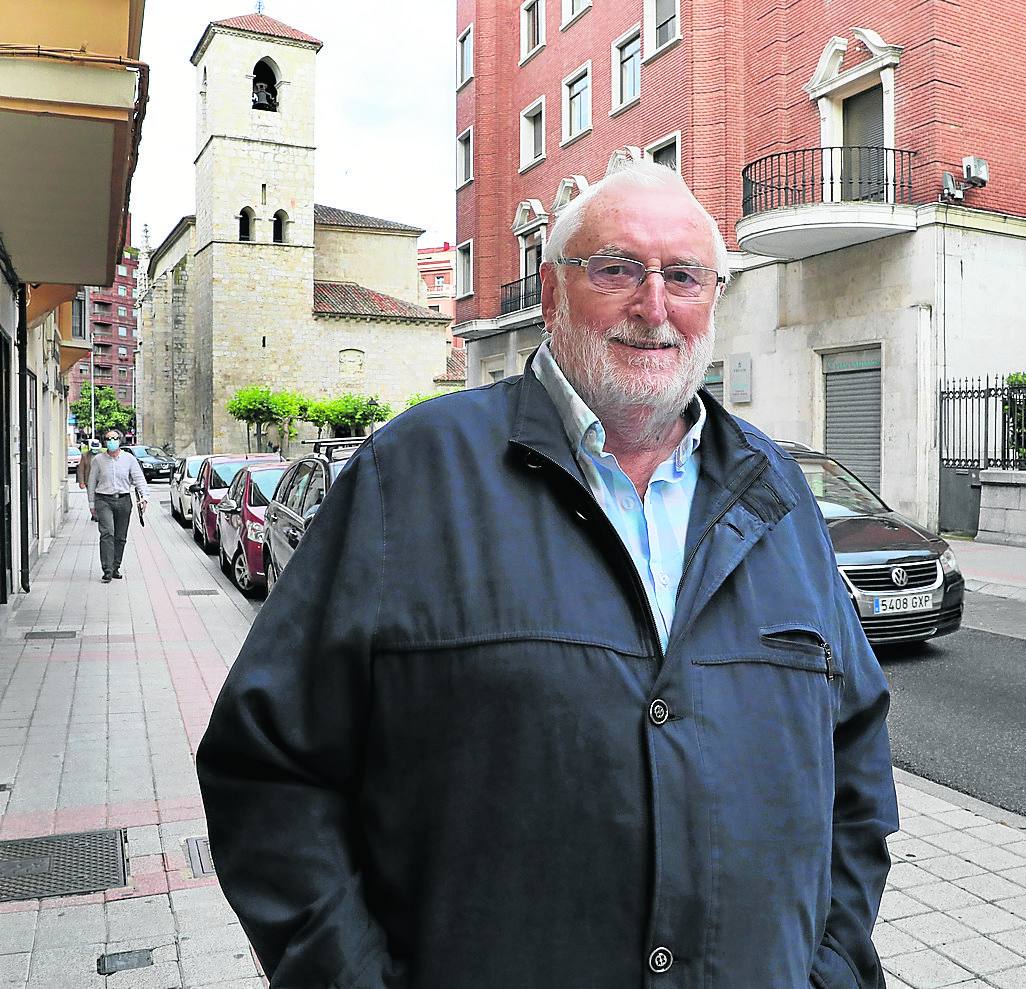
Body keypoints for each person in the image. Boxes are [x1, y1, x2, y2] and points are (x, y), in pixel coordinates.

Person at [197, 161, 898, 988]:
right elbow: (268, 766)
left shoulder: (775, 490)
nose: (653, 305)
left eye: (683, 275)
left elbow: (852, 758)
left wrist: (832, 967)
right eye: (616, 269)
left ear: (713, 299)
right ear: (553, 290)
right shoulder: (412, 473)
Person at [86, 428, 149, 583]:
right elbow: (92, 482)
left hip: (123, 500)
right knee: (108, 533)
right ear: (105, 441)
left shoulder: (129, 459)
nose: (111, 441)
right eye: (108, 439)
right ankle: (107, 569)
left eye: (114, 438)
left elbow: (139, 478)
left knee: (120, 537)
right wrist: (92, 503)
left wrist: (144, 497)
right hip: (104, 500)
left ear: (120, 440)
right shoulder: (98, 460)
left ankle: (115, 567)